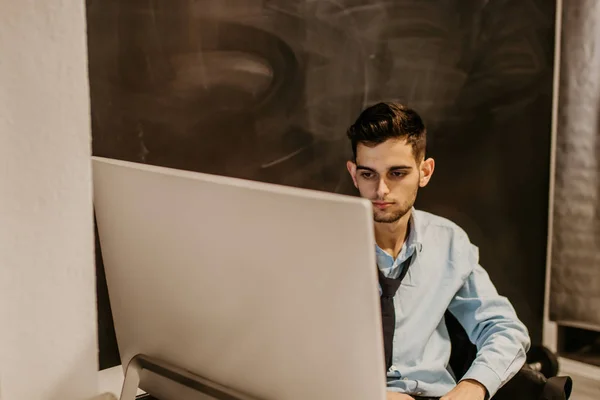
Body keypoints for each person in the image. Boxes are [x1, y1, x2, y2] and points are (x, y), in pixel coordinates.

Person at [345, 102, 531, 400]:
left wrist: (474, 386)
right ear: (353, 174)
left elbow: (505, 329)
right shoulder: (323, 243)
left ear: (424, 171)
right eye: (368, 174)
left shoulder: (448, 243)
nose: (381, 190)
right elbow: (290, 346)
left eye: (397, 173)